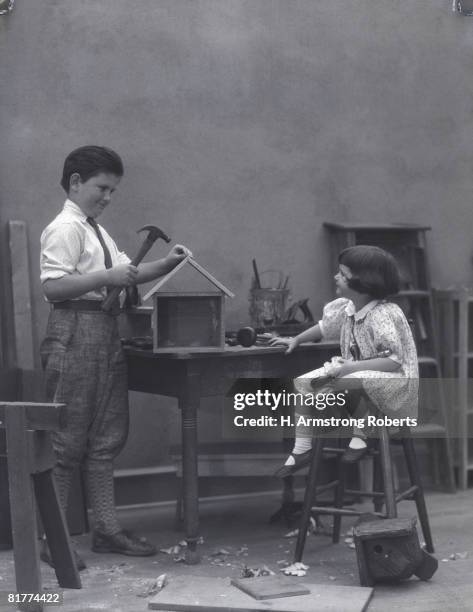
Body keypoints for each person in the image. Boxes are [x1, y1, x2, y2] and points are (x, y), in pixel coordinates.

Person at [40, 146, 192, 568]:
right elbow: (53, 288)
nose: (108, 196)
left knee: (106, 439)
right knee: (66, 440)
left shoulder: (97, 231)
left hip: (106, 335)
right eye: (101, 187)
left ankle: (106, 529)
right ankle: (52, 539)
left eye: (113, 190)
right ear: (75, 183)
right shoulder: (64, 228)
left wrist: (165, 262)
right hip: (73, 333)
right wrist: (106, 277)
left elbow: (129, 272)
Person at [270, 245, 418, 477]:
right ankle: (302, 449)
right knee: (303, 383)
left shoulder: (382, 315)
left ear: (363, 283)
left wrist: (351, 368)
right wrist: (296, 340)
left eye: (343, 274)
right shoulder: (349, 308)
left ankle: (364, 432)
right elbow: (324, 327)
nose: (336, 277)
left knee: (343, 382)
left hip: (393, 380)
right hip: (356, 373)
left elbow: (394, 361)